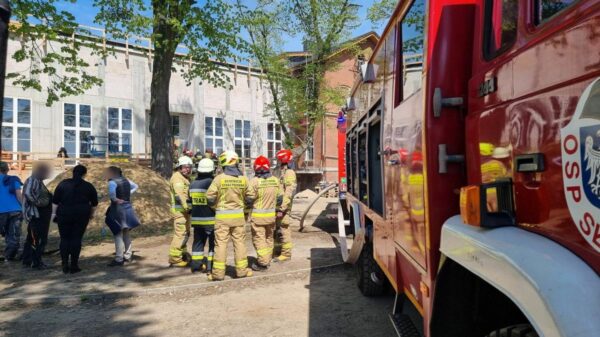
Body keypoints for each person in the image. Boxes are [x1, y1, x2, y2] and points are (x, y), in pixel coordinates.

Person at [206, 151, 252, 281]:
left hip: (222, 218)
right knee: (240, 243)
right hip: (238, 218)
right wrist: (244, 209)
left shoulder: (219, 178)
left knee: (220, 244)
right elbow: (250, 197)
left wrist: (215, 207)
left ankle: (218, 274)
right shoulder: (243, 179)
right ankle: (242, 271)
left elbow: (209, 198)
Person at [52, 165, 98, 274]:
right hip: (81, 214)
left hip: (64, 213)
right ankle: (74, 265)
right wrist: (91, 214)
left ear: (73, 173)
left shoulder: (63, 184)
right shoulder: (88, 186)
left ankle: (64, 265)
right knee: (76, 239)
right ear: (84, 174)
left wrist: (53, 214)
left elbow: (55, 201)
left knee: (64, 239)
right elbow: (94, 204)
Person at [246, 156, 282, 271]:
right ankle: (268, 258)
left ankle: (262, 263)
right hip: (271, 217)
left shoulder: (254, 182)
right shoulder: (275, 180)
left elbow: (249, 200)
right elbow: (280, 199)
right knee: (269, 238)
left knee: (259, 239)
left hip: (258, 218)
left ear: (255, 168)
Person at [104, 166, 140, 267]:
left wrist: (115, 199)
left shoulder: (112, 182)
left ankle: (119, 258)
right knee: (126, 232)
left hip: (118, 209)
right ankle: (128, 256)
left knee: (117, 233)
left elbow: (111, 194)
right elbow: (136, 186)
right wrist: (128, 194)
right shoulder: (126, 180)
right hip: (128, 206)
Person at [22, 163, 53, 269]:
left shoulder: (38, 181)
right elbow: (28, 193)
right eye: (45, 171)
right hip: (36, 215)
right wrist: (40, 203)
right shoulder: (33, 180)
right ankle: (35, 263)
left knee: (32, 238)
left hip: (40, 215)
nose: (47, 174)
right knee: (38, 239)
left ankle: (28, 260)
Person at [189, 158, 216, 273]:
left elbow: (189, 203)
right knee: (213, 244)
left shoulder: (192, 184)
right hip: (211, 220)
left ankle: (196, 266)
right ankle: (211, 267)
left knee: (198, 243)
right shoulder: (212, 183)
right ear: (211, 170)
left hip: (196, 220)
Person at [168, 156, 193, 267]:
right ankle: (175, 259)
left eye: (189, 167)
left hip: (185, 212)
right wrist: (187, 208)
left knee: (186, 233)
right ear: (179, 167)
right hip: (180, 212)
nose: (188, 169)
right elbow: (179, 195)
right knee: (180, 234)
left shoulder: (185, 178)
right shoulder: (177, 178)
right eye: (185, 167)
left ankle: (183, 254)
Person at [274, 149, 297, 263]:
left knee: (284, 229)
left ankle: (286, 254)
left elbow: (289, 192)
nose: (277, 162)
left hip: (284, 208)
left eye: (279, 160)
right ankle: (278, 251)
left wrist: (282, 209)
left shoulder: (289, 173)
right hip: (279, 206)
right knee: (278, 230)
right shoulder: (283, 172)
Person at [0, 161, 23, 261]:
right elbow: (19, 195)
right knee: (13, 235)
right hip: (15, 211)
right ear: (7, 169)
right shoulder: (13, 180)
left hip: (1, 211)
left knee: (6, 233)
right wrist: (24, 207)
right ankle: (8, 257)